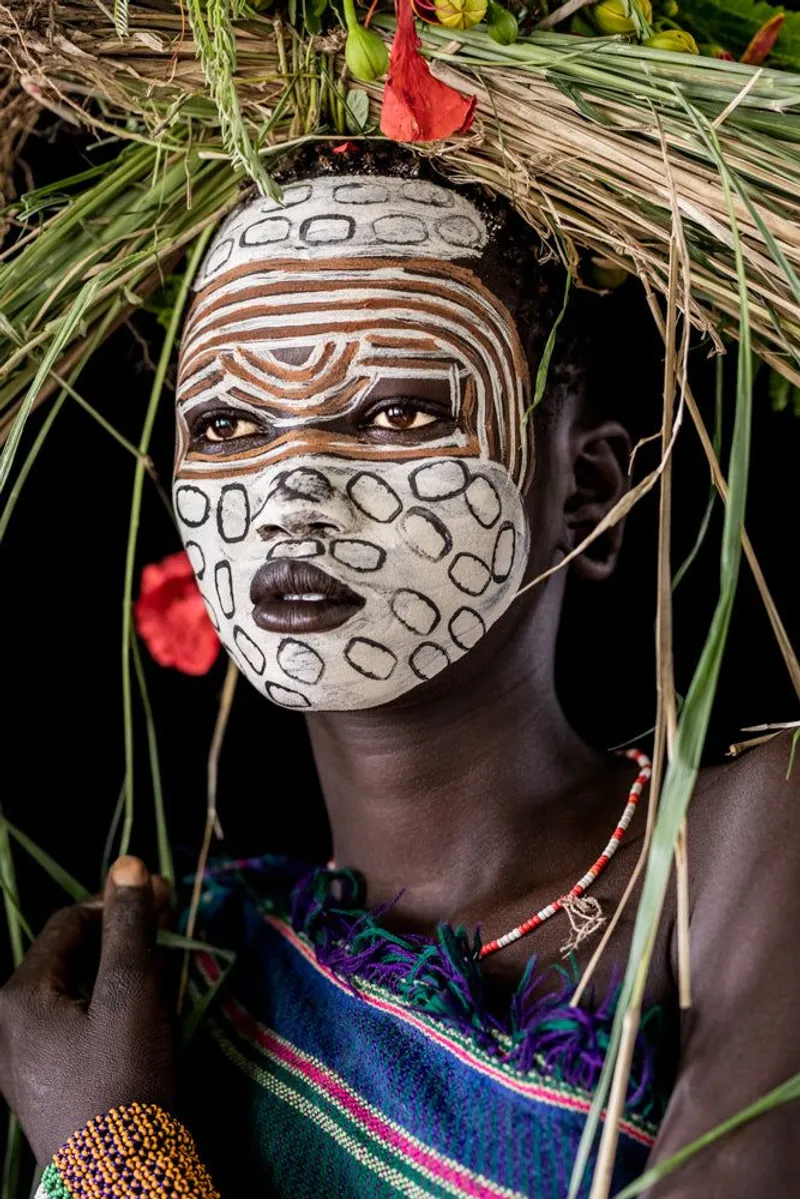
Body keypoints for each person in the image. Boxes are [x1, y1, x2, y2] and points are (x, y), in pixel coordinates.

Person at [1, 145, 797, 1199]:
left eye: (397, 414)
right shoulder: (172, 972)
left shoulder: (747, 841)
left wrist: (117, 1155)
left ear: (586, 492)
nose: (293, 494)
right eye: (230, 426)